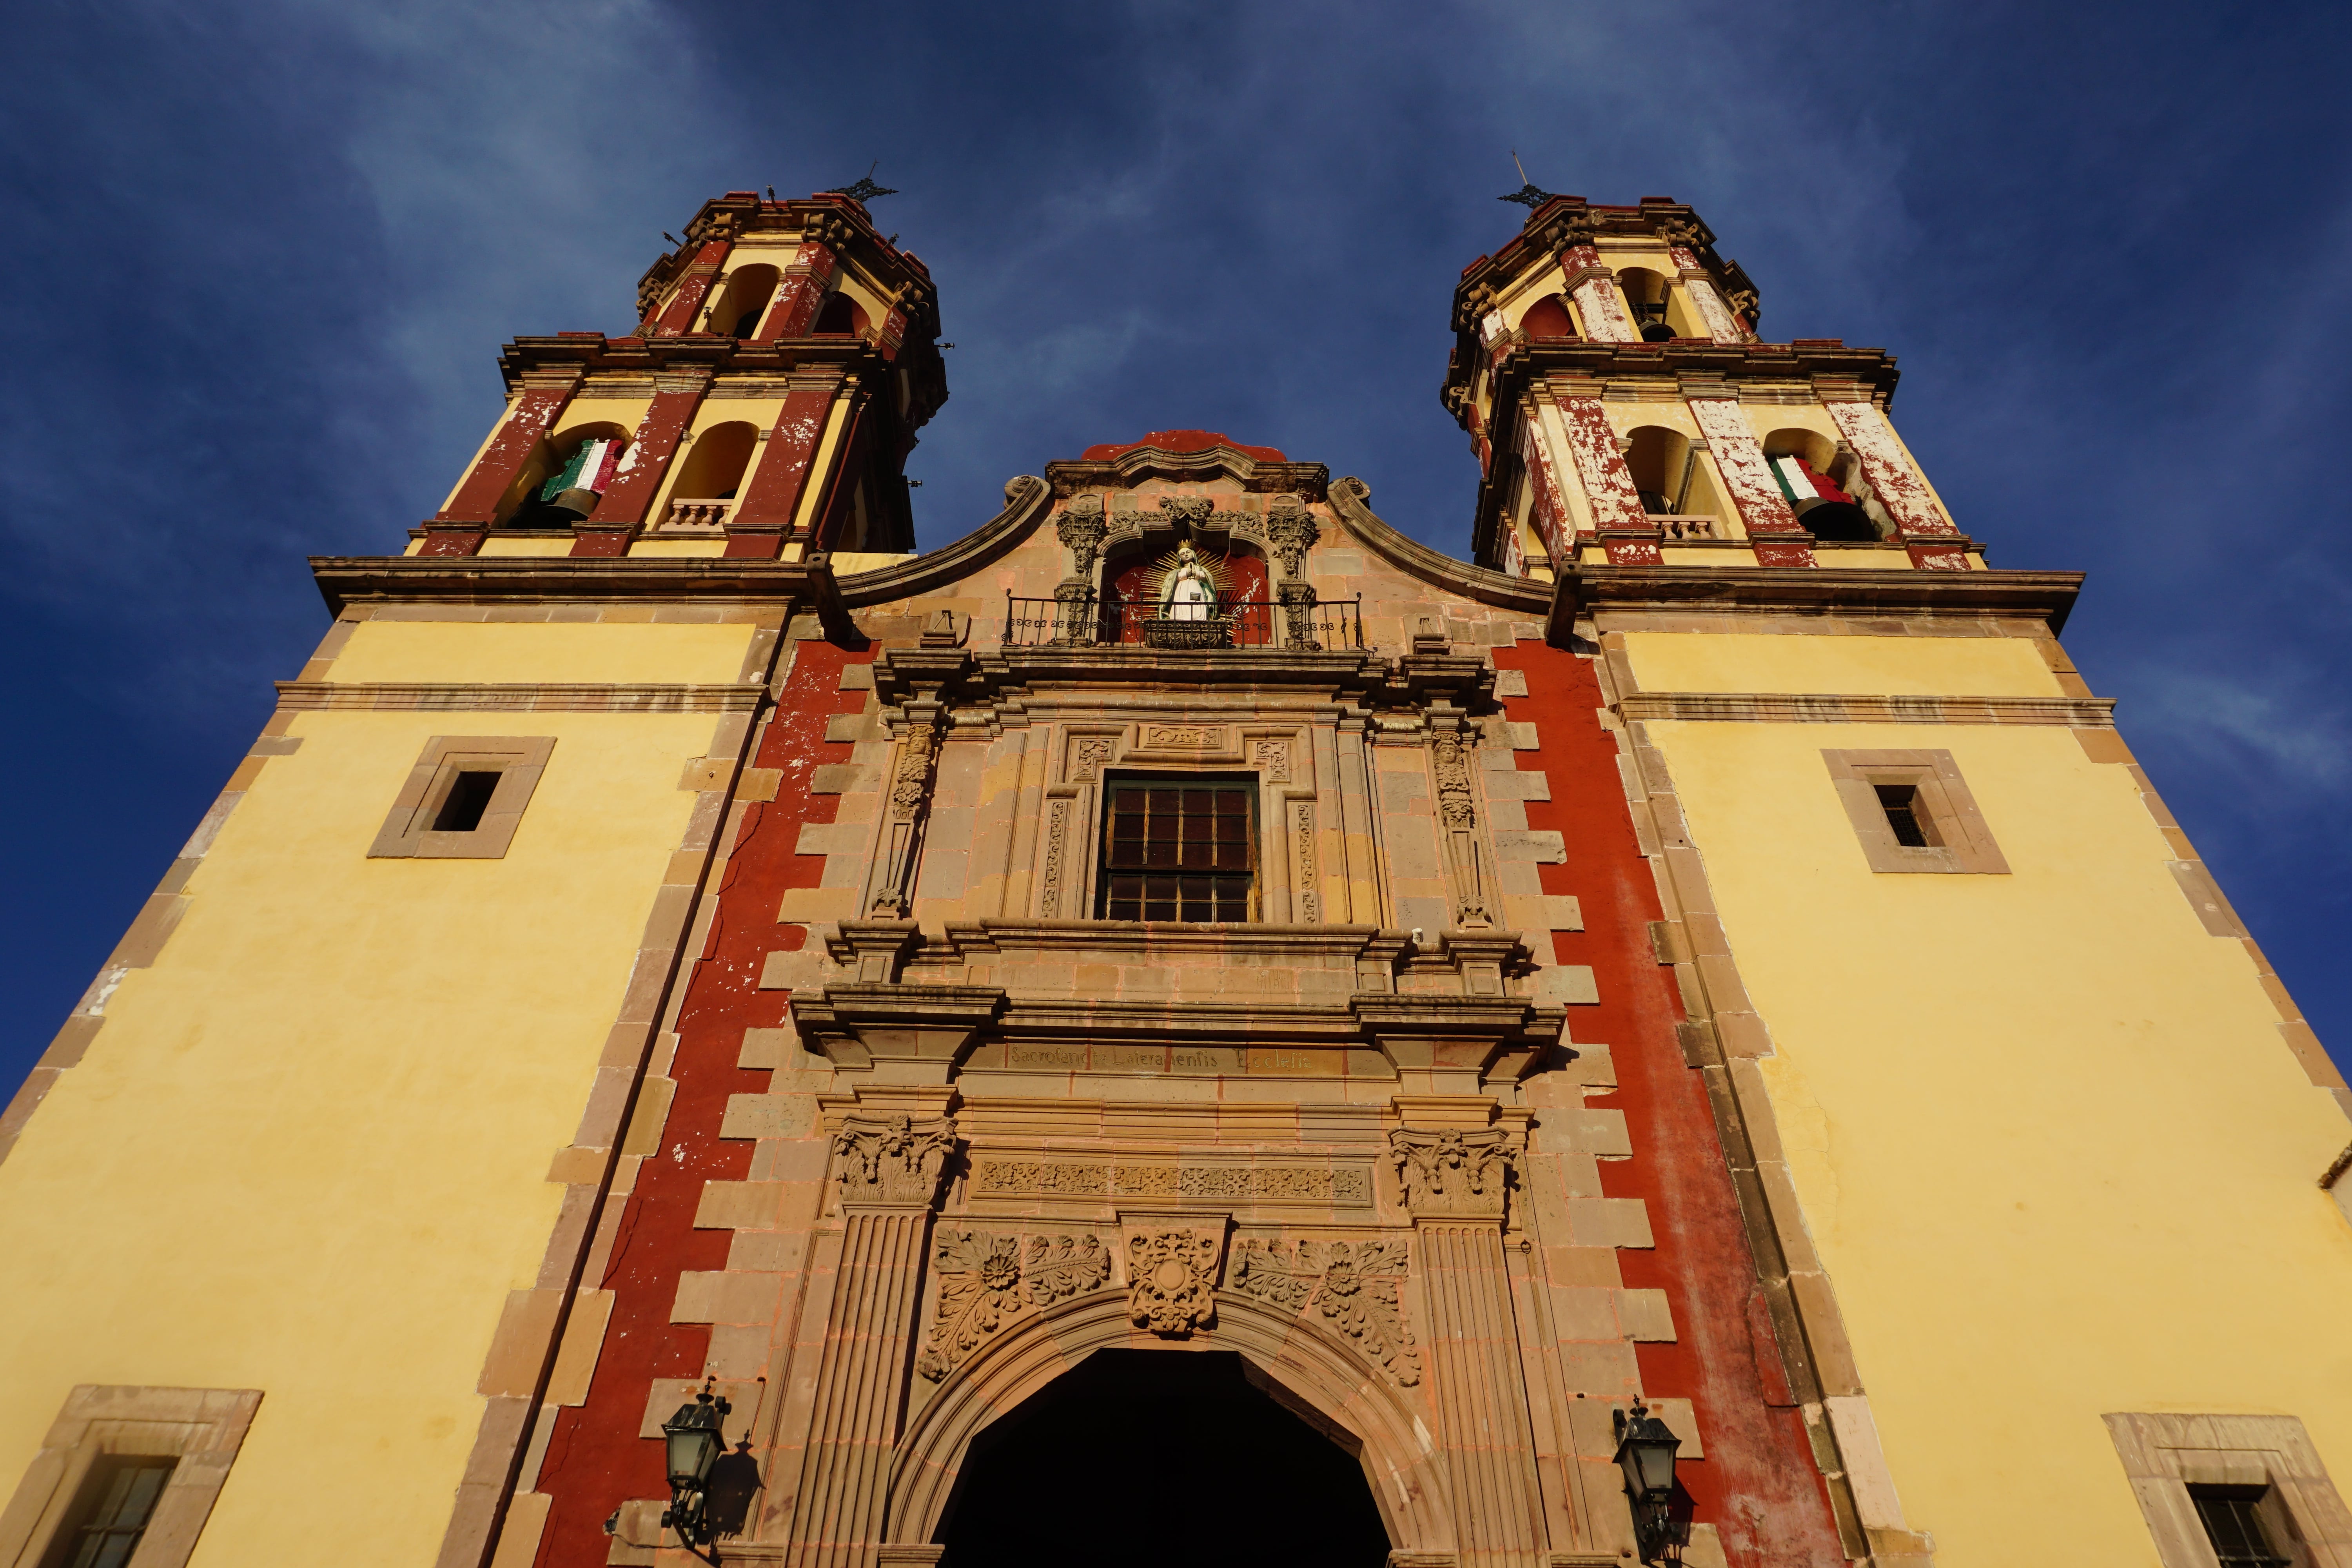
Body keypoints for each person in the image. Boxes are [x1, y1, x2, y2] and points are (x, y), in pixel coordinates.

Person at [1161, 544, 1218, 621]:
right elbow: (1171, 581)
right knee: (1181, 602)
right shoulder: (1176, 572)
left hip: (1195, 587)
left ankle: (1198, 618)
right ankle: (1180, 618)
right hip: (1180, 590)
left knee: (1196, 603)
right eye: (1182, 554)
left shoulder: (1200, 569)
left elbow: (1209, 580)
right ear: (1179, 558)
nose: (1186, 555)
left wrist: (1196, 573)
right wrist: (1186, 574)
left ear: (1194, 554)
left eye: (1188, 552)